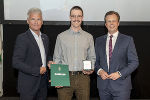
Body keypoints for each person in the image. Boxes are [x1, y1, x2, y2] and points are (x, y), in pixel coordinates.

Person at [53, 6, 96, 100]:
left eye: (79, 16)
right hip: (64, 76)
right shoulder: (61, 36)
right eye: (73, 16)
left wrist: (91, 68)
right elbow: (57, 58)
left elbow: (92, 57)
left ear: (82, 18)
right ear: (70, 17)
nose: (76, 19)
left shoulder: (89, 37)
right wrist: (57, 79)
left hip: (83, 78)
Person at [95, 11, 139, 100]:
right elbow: (95, 61)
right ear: (105, 24)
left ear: (118, 23)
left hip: (121, 87)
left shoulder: (128, 40)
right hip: (103, 87)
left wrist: (120, 73)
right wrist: (99, 71)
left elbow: (134, 62)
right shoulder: (98, 41)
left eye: (114, 21)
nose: (111, 23)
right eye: (109, 21)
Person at [12, 7, 53, 100]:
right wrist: (36, 70)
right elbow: (16, 62)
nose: (36, 22)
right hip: (28, 85)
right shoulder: (22, 38)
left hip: (43, 84)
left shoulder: (45, 38)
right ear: (27, 21)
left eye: (38, 19)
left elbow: (47, 55)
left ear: (42, 21)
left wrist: (49, 61)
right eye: (33, 19)